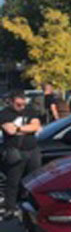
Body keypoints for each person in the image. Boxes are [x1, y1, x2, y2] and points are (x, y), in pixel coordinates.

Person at [0, 90, 42, 220]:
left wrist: (19, 128)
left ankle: (33, 205)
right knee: (13, 181)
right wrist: (27, 128)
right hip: (15, 151)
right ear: (11, 102)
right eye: (18, 104)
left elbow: (36, 126)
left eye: (23, 104)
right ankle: (10, 208)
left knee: (35, 180)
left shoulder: (30, 110)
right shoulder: (4, 114)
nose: (22, 107)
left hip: (33, 150)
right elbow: (9, 130)